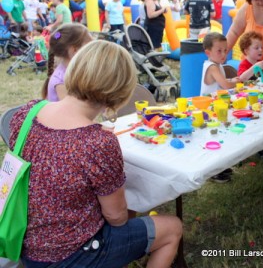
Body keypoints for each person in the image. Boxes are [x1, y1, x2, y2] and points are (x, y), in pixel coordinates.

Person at [11, 40, 183, 268]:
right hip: (73, 255)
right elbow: (117, 217)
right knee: (172, 228)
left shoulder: (26, 113)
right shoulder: (98, 143)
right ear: (119, 93)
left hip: (24, 243)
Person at [41, 23, 93, 102]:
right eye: (90, 47)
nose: (93, 52)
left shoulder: (74, 71)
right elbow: (69, 112)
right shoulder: (61, 81)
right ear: (75, 50)